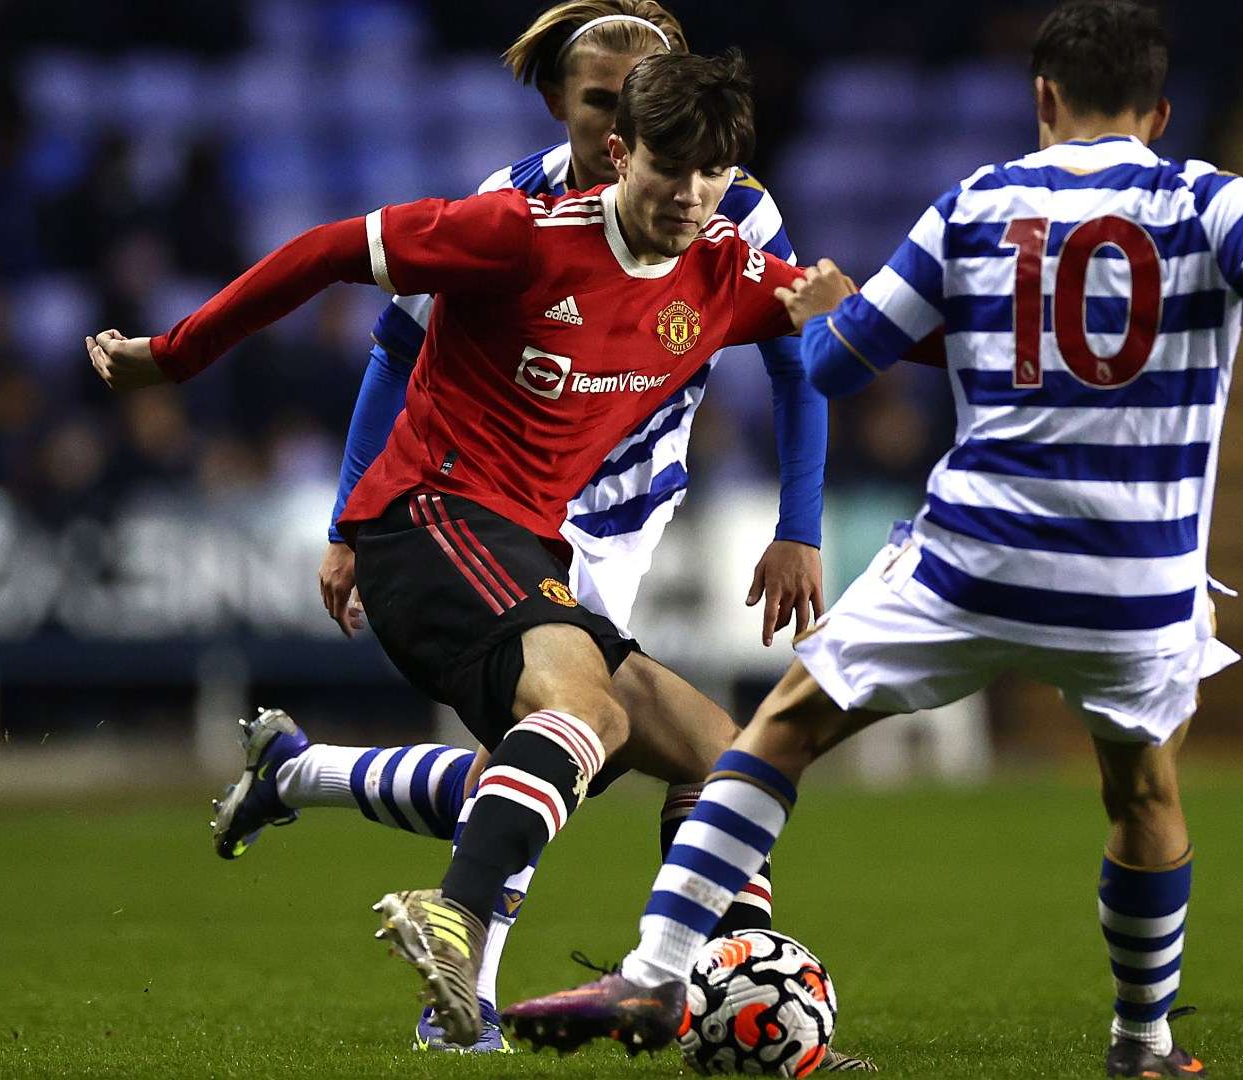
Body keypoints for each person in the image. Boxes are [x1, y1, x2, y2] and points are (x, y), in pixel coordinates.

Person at [497, 1, 1243, 1076]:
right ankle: (1142, 1040)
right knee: (1143, 795)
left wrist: (834, 311)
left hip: (973, 556)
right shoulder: (1205, 201)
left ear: (1042, 97)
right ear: (1160, 110)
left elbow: (841, 366)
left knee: (778, 733)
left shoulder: (976, 202)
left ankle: (652, 974)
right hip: (1136, 578)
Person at [86, 50, 839, 1052]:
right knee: (583, 709)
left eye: (712, 177)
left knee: (722, 756)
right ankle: (458, 917)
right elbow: (321, 251)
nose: (688, 198)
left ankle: (737, 998)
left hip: (519, 547)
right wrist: (172, 355)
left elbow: (837, 320)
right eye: (669, 171)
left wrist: (865, 310)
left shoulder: (722, 271)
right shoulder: (517, 235)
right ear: (619, 155)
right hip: (424, 520)